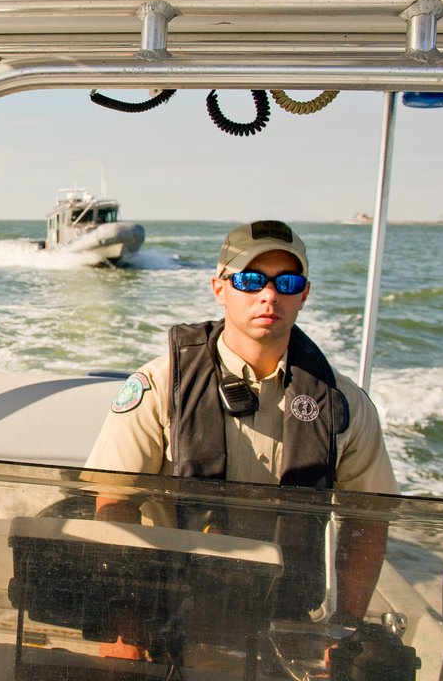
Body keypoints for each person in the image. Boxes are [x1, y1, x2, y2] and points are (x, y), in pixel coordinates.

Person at [87, 219, 397, 626]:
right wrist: (127, 626)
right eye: (251, 280)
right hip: (167, 614)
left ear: (304, 295)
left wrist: (346, 625)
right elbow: (114, 503)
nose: (269, 295)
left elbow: (367, 521)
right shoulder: (160, 389)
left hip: (283, 622)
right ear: (220, 289)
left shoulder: (343, 405)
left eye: (286, 283)